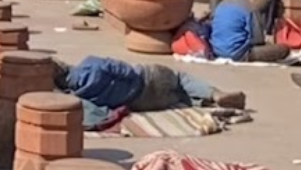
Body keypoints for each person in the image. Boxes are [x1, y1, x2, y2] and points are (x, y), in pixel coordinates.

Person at [54, 55, 245, 129]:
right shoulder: (89, 63)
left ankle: (204, 101)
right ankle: (214, 94)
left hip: (144, 103)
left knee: (179, 96)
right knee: (180, 79)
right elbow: (125, 71)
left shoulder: (77, 95)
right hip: (149, 79)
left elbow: (100, 112)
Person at [209, 0, 290, 63]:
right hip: (239, 54)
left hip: (217, 50)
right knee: (284, 49)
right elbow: (258, 39)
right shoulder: (249, 8)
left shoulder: (221, 6)